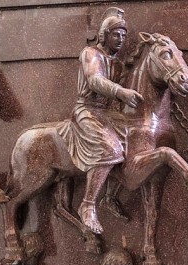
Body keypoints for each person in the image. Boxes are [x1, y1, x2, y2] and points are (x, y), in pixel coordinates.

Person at [58, 7, 143, 235]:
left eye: (124, 36)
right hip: (87, 110)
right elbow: (95, 81)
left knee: (134, 142)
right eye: (116, 34)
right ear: (104, 35)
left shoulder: (117, 62)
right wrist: (121, 92)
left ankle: (110, 197)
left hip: (108, 112)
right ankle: (87, 205)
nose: (121, 39)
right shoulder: (90, 54)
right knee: (110, 147)